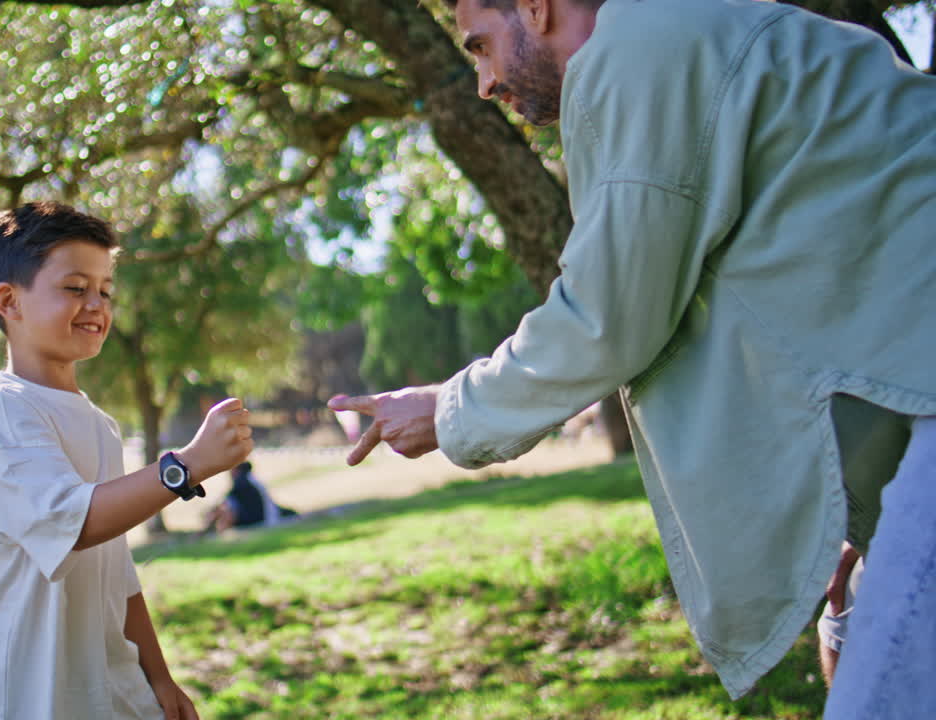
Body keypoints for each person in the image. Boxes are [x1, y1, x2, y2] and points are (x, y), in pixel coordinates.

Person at [328, 0, 936, 716]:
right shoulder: (682, 33)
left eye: (481, 47)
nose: (486, 82)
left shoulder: (638, 50)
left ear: (536, 7)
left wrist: (450, 409)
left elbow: (608, 317)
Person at [0, 201, 253, 720]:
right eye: (75, 288)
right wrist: (187, 465)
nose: (97, 304)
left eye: (106, 290)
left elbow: (118, 570)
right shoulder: (6, 412)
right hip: (21, 696)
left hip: (102, 692)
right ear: (9, 301)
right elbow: (79, 520)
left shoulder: (100, 425)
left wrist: (158, 677)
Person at [203, 461, 296, 533]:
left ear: (236, 469)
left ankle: (209, 531)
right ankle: (209, 530)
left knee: (224, 510)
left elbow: (225, 503)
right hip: (265, 515)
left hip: (260, 519)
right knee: (223, 510)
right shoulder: (250, 480)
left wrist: (212, 514)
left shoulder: (242, 482)